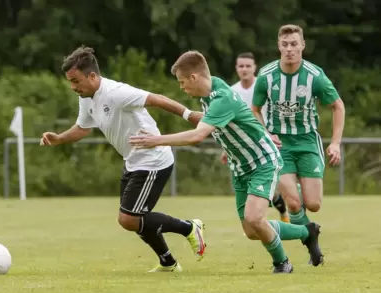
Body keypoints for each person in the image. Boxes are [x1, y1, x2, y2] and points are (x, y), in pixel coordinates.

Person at [130, 50, 324, 273]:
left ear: (194, 77)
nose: (182, 87)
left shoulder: (221, 98)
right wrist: (185, 114)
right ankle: (307, 232)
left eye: (183, 82)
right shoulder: (213, 89)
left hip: (262, 161)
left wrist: (155, 140)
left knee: (255, 217)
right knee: (251, 231)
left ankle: (282, 264)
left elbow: (197, 136)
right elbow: (224, 119)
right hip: (240, 167)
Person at [40, 46, 206, 273]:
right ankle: (167, 262)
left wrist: (189, 115)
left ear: (92, 76)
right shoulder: (87, 97)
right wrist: (58, 139)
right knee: (136, 218)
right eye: (70, 81)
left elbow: (156, 99)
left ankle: (188, 228)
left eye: (76, 81)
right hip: (133, 161)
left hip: (153, 160)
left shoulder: (116, 92)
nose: (73, 87)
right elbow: (82, 128)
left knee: (129, 218)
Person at [252, 25, 345, 264]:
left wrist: (335, 143)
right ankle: (311, 243)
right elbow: (254, 110)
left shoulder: (314, 75)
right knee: (293, 203)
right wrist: (265, 134)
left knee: (312, 204)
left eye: (294, 44)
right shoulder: (266, 75)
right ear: (279, 46)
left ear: (302, 45)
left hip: (307, 142)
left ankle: (308, 222)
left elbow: (338, 106)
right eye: (285, 45)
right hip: (280, 145)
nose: (289, 49)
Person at [228, 52, 289, 223]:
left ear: (254, 67)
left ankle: (279, 213)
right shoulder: (232, 91)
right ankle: (266, 216)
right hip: (243, 146)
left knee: (273, 185)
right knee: (253, 186)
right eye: (241, 66)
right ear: (236, 68)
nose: (244, 69)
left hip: (267, 143)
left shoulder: (262, 87)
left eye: (248, 66)